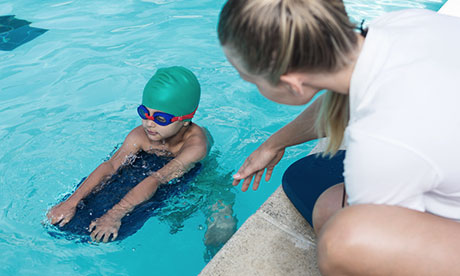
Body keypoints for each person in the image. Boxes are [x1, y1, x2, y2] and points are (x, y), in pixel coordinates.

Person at [217, 0, 460, 275]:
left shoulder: (382, 145)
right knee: (330, 204)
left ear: (292, 83)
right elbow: (347, 98)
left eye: (251, 80)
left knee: (343, 243)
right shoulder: (399, 24)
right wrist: (274, 143)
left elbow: (373, 241)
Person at [47, 66, 210, 243]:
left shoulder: (196, 146)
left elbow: (157, 179)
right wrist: (71, 202)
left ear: (185, 120)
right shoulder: (140, 135)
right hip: (152, 163)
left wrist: (113, 215)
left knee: (205, 197)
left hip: (189, 166)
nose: (149, 123)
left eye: (160, 118)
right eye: (144, 113)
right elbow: (110, 166)